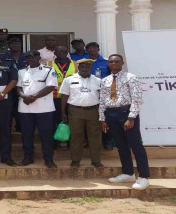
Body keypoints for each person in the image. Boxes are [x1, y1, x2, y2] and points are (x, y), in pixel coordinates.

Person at [100, 54, 150, 190]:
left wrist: (131, 117)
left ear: (122, 62)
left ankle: (144, 176)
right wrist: (102, 118)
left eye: (116, 61)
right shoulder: (105, 80)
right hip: (111, 114)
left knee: (135, 144)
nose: (113, 63)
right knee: (121, 145)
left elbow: (137, 98)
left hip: (125, 113)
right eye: (110, 62)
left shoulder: (131, 77)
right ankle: (128, 173)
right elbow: (102, 100)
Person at [15, 50, 57, 168]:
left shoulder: (49, 70)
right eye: (27, 58)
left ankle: (48, 159)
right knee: (27, 135)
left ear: (39, 57)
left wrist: (34, 97)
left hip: (44, 109)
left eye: (33, 57)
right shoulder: (22, 72)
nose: (30, 59)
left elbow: (51, 86)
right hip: (25, 108)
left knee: (46, 136)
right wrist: (24, 96)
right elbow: (18, 87)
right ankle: (28, 157)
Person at [59, 58, 103, 168]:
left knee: (95, 137)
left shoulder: (98, 80)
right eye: (82, 67)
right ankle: (75, 160)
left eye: (87, 67)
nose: (84, 69)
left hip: (93, 111)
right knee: (76, 137)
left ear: (91, 68)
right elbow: (64, 96)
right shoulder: (69, 79)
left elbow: (102, 98)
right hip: (75, 111)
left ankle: (96, 160)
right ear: (78, 67)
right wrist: (63, 112)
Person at [44, 46, 76, 148]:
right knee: (54, 121)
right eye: (59, 51)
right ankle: (55, 142)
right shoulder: (47, 65)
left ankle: (70, 142)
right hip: (53, 98)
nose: (62, 53)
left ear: (67, 52)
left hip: (72, 98)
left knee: (72, 121)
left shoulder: (76, 64)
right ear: (55, 52)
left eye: (64, 51)